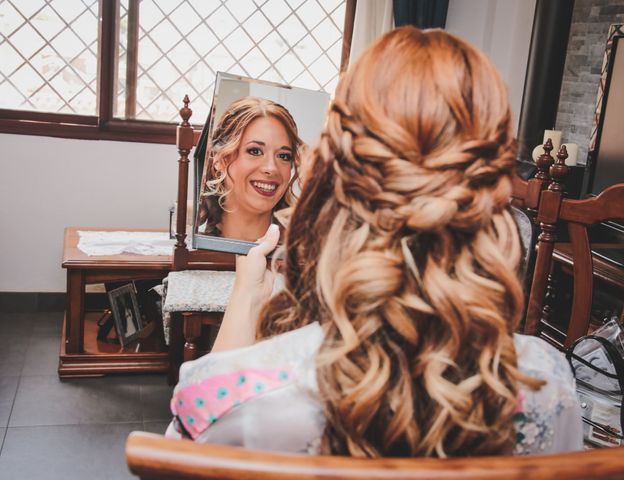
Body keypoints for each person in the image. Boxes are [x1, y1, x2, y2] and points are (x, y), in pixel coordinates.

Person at [167, 26, 582, 457]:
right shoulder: (546, 383)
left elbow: (187, 464)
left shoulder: (234, 395)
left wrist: (245, 297)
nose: (271, 167)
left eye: (284, 154)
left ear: (334, 176)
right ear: (491, 185)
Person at [198, 97, 303, 241]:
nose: (271, 168)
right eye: (255, 151)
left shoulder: (303, 251)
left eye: (284, 156)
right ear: (221, 160)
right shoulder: (192, 243)